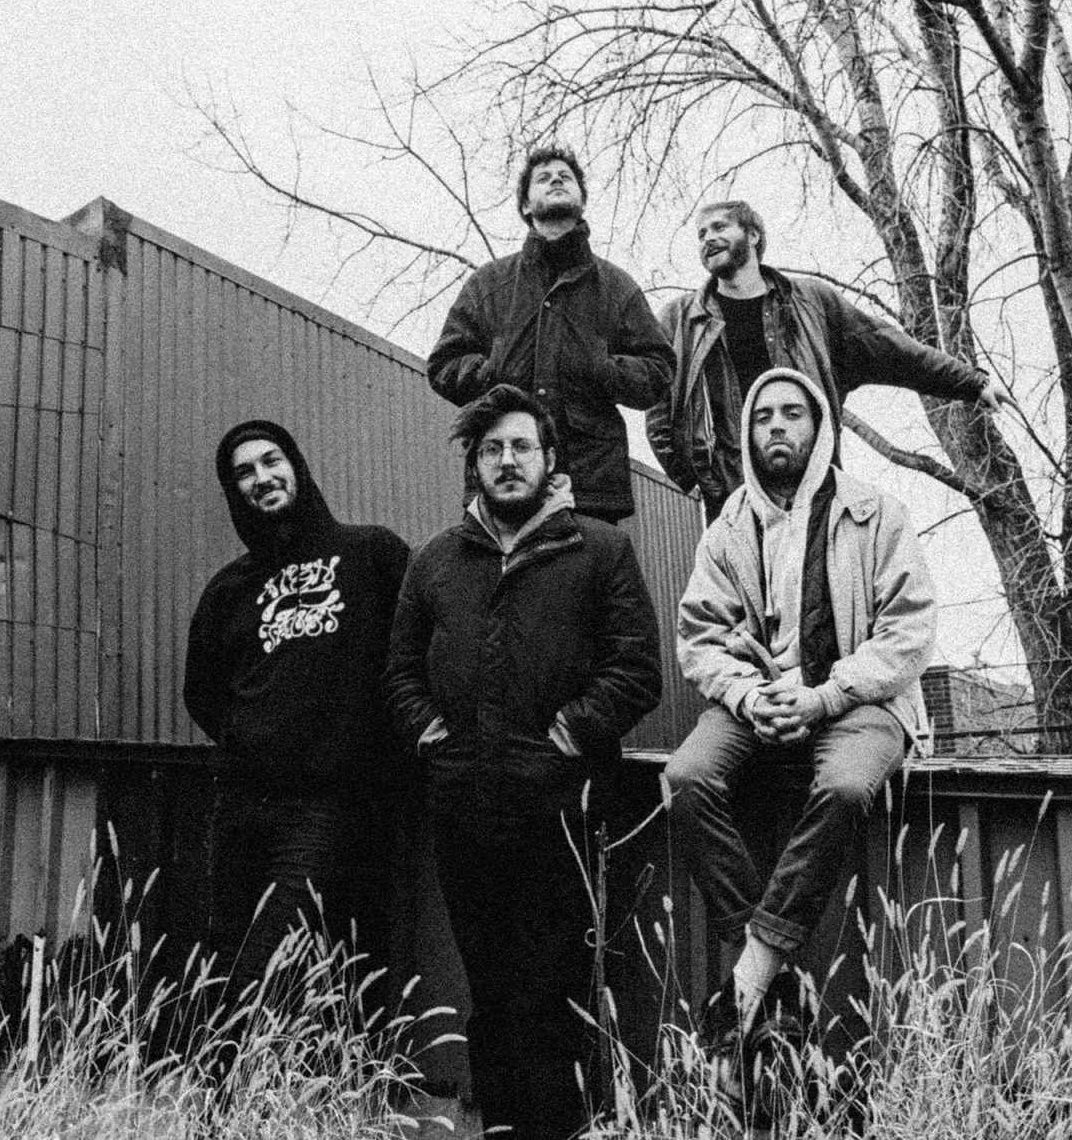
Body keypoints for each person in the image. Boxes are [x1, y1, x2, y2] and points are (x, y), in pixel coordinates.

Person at [386, 384, 663, 1140]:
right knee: (492, 997)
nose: (507, 461)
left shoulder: (598, 549)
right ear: (475, 466)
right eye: (492, 450)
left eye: (521, 447)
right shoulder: (436, 560)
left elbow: (637, 669)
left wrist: (569, 734)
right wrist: (430, 734)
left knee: (552, 995)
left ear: (549, 459)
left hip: (560, 811)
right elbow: (401, 671)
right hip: (463, 808)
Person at [665, 368, 936, 1075]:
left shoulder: (876, 512)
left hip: (860, 701)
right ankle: (775, 972)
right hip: (760, 699)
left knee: (844, 788)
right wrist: (751, 697)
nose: (777, 427)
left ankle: (753, 969)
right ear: (748, 433)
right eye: (763, 417)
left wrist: (825, 696)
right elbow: (699, 637)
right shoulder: (729, 526)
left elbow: (908, 632)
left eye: (793, 414)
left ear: (819, 428)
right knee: (685, 777)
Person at [183, 420, 409, 1028]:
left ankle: (254, 1080)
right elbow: (200, 693)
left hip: (327, 805)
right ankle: (234, 1090)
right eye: (244, 472)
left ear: (296, 466)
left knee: (265, 969)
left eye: (271, 460)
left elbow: (417, 659)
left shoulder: (372, 555)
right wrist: (255, 738)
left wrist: (352, 748)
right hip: (241, 805)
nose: (261, 478)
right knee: (227, 962)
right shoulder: (228, 589)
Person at [647, 199, 1014, 520]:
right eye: (701, 234)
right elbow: (658, 411)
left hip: (813, 489)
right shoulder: (680, 320)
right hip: (733, 500)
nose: (708, 238)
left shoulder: (811, 302)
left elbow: (893, 350)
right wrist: (698, 482)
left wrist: (972, 382)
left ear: (753, 235)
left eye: (719, 227)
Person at [428, 145, 675, 523]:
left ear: (582, 200)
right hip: (503, 482)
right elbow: (444, 364)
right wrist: (494, 370)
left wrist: (605, 370)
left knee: (591, 564)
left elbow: (659, 369)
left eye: (565, 176)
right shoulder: (489, 285)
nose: (556, 179)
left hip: (588, 486)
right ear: (526, 205)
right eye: (543, 178)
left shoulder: (616, 287)